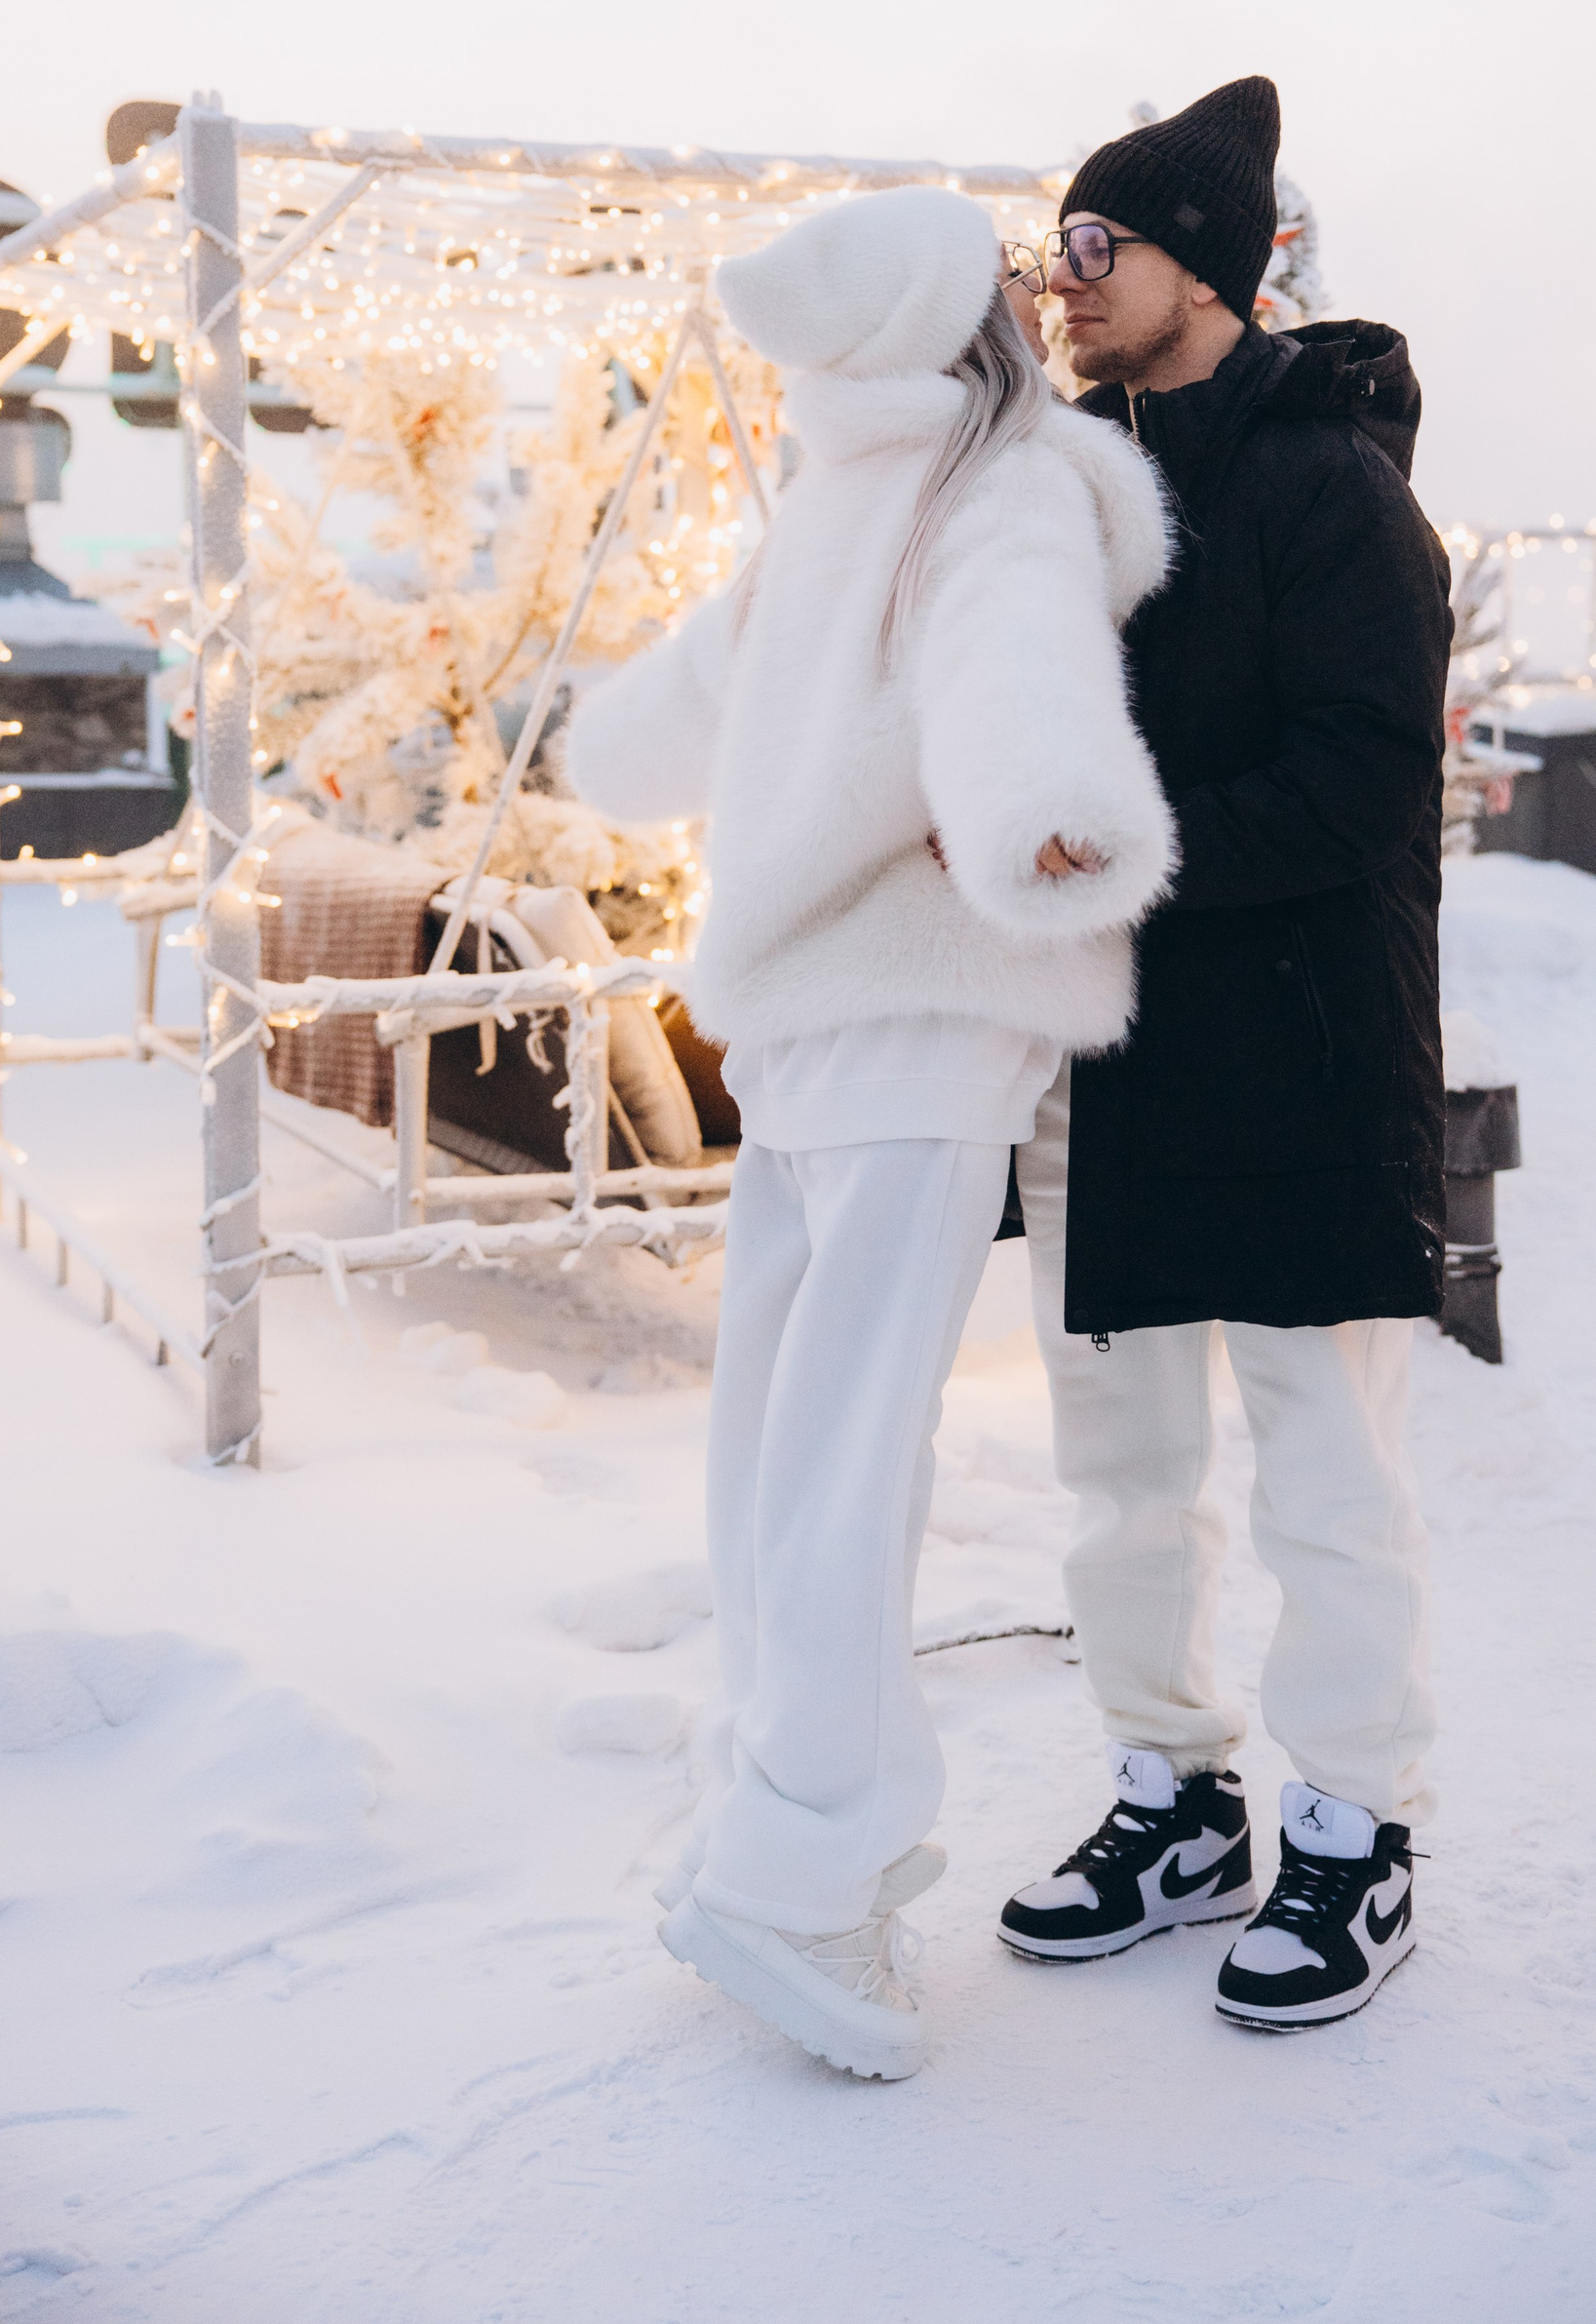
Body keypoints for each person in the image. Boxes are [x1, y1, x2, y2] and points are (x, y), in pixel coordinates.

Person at [567, 184, 1175, 2079]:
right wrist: (1052, 818)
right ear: (946, 319)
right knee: (847, 1461)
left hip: (795, 1040)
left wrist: (584, 736)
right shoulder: (1000, 487)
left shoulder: (825, 508)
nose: (1035, 292)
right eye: (1004, 275)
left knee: (779, 1448)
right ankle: (803, 1870)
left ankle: (768, 1814)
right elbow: (1014, 676)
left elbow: (652, 732)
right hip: (918, 1020)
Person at [995, 77, 1455, 2032]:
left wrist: (1120, 850)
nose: (1066, 277)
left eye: (1101, 243)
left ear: (1211, 265)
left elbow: (1365, 779)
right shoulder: (1054, 483)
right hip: (1101, 1058)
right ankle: (1174, 1799)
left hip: (1296, 1059)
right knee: (1121, 1473)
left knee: (1325, 1472)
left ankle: (1360, 1824)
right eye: (1058, 245)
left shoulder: (1333, 483)